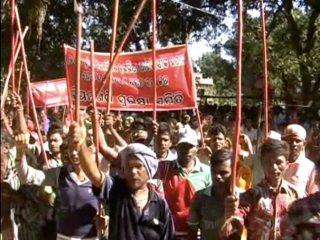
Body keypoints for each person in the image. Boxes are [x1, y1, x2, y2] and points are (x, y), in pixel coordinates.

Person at [73, 118, 175, 240]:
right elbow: (95, 175)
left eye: (138, 167)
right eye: (129, 167)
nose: (133, 171)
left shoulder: (160, 203)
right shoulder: (116, 189)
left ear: (148, 170)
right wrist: (81, 145)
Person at [15, 134, 101, 240]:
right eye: (70, 149)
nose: (74, 153)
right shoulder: (60, 174)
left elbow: (109, 204)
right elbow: (27, 176)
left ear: (89, 150)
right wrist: (20, 153)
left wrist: (105, 220)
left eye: (77, 149)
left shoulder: (98, 177)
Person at [224, 139, 299, 240]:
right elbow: (236, 219)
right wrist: (232, 213)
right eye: (269, 163)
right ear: (262, 163)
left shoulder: (295, 195)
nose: (274, 167)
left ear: (287, 164)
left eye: (279, 162)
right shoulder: (251, 195)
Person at [187, 149, 243, 240]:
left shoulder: (244, 198)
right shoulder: (200, 197)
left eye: (223, 173)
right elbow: (192, 231)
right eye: (214, 171)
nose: (217, 177)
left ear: (235, 172)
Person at [282, 124, 319, 197]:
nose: (294, 144)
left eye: (298, 141)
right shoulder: (277, 163)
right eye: (290, 140)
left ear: (304, 144)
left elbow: (314, 195)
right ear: (283, 141)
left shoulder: (309, 167)